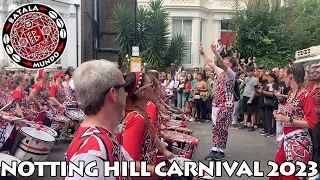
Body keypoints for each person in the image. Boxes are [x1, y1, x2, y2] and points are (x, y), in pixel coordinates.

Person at [65, 60, 132, 180]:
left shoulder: (102, 137)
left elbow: (129, 167)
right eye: (124, 88)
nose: (126, 94)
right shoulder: (91, 153)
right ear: (113, 93)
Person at [272, 63, 318, 180]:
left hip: (299, 142)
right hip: (287, 138)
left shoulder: (305, 96)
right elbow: (293, 114)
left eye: (285, 75)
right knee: (278, 170)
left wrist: (288, 119)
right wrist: (281, 115)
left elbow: (312, 122)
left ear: (291, 77)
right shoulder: (290, 94)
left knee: (290, 174)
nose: (283, 78)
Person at [199, 43, 237, 160]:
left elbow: (220, 63)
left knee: (222, 126)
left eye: (226, 62)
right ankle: (214, 148)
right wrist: (202, 53)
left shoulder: (231, 73)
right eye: (223, 61)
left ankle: (221, 150)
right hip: (217, 103)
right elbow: (210, 63)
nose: (223, 63)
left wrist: (216, 52)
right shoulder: (220, 72)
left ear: (230, 65)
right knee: (215, 126)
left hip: (226, 104)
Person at [120, 72, 160, 179]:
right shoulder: (137, 119)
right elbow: (130, 164)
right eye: (150, 84)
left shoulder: (140, 115)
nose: (153, 88)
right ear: (141, 91)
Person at [305, 65, 320, 174]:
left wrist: (313, 110)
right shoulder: (309, 85)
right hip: (307, 120)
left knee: (316, 145)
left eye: (318, 73)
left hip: (317, 121)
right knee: (308, 144)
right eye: (314, 72)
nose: (314, 74)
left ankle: (315, 168)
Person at [257, 73, 278, 137]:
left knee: (274, 117)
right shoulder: (267, 84)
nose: (268, 78)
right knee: (267, 117)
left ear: (273, 78)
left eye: (270, 77)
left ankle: (272, 131)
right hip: (266, 102)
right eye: (268, 77)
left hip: (273, 102)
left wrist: (262, 92)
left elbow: (271, 94)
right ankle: (269, 130)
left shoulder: (275, 85)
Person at [239, 66, 258, 131]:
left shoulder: (255, 79)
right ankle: (245, 123)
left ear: (252, 72)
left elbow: (255, 90)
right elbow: (241, 86)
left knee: (252, 111)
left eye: (249, 72)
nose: (248, 73)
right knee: (245, 111)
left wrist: (251, 99)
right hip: (245, 95)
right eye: (247, 72)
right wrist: (243, 80)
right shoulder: (246, 78)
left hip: (250, 96)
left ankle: (252, 125)